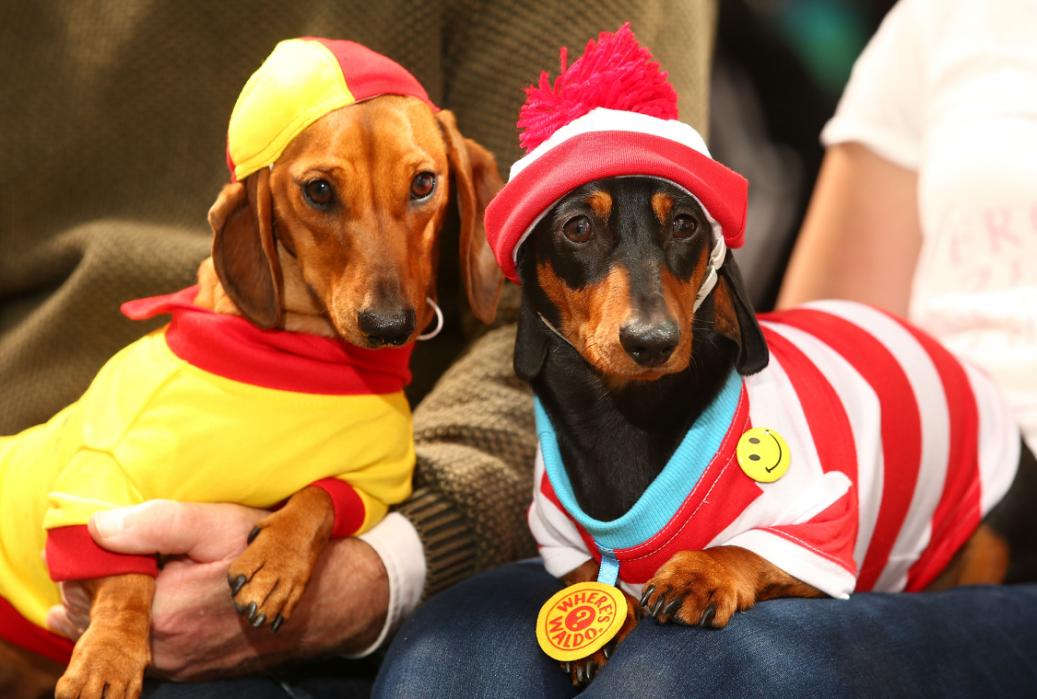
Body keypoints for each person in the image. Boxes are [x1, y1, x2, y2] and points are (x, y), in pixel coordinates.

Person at [1, 2, 718, 696]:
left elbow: (555, 321)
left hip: (388, 542)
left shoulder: (374, 405)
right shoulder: (171, 393)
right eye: (321, 194)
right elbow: (97, 493)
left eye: (420, 189)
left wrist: (381, 567)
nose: (387, 300)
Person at [374, 1, 1037, 695]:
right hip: (886, 402)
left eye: (681, 228)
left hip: (991, 515)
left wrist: (734, 562)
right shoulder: (945, 18)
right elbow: (826, 309)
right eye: (577, 232)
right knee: (446, 666)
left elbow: (815, 501)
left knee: (668, 676)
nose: (648, 319)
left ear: (715, 282)